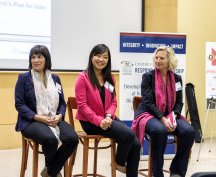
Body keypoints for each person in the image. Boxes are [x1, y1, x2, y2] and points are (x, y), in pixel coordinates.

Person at [75, 44, 141, 177]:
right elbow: (82, 106)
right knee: (128, 134)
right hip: (90, 122)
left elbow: (113, 101)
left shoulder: (109, 78)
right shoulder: (83, 78)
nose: (101, 59)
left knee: (136, 143)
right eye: (98, 55)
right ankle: (118, 163)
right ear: (92, 57)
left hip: (107, 118)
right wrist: (99, 121)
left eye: (105, 57)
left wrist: (108, 115)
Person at [14, 45, 78, 177]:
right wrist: (39, 118)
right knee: (50, 140)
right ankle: (53, 173)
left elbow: (61, 102)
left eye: (40, 57)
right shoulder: (24, 78)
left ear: (46, 59)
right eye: (33, 57)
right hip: (31, 121)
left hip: (54, 118)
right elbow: (19, 105)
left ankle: (50, 171)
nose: (36, 60)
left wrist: (60, 116)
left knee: (73, 139)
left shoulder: (55, 79)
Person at [132, 46, 195, 177]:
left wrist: (173, 117)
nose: (157, 60)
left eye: (162, 58)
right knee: (160, 130)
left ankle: (177, 171)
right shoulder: (148, 77)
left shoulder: (177, 78)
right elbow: (148, 102)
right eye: (156, 57)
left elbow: (179, 103)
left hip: (169, 115)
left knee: (189, 131)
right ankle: (157, 173)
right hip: (148, 114)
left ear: (169, 60)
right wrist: (163, 119)